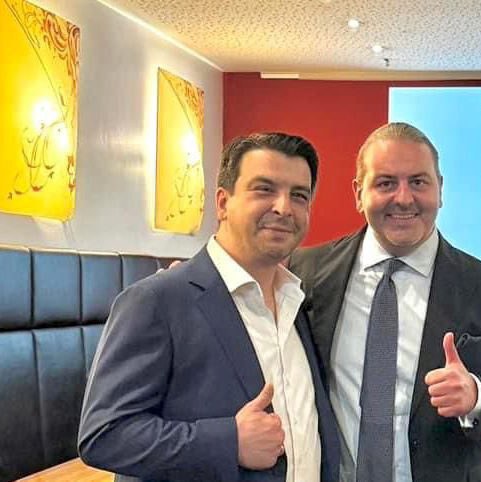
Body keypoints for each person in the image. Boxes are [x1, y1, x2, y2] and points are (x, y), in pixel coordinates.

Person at [78, 133, 339, 482]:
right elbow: (104, 435)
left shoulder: (300, 305)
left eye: (299, 195)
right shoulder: (157, 301)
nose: (283, 207)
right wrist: (229, 443)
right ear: (222, 202)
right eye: (264, 189)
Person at [289, 122, 481, 482]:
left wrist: (476, 396)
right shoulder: (306, 273)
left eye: (419, 182)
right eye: (385, 183)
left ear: (440, 189)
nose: (404, 198)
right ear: (358, 193)